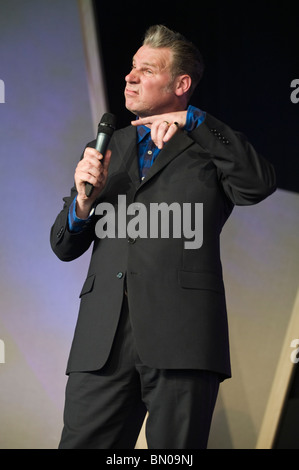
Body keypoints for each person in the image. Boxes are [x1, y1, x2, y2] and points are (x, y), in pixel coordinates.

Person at [51, 24, 276, 449]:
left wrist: (196, 121)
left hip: (183, 339)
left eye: (146, 70)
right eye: (131, 68)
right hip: (102, 342)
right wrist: (81, 206)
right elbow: (63, 245)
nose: (129, 77)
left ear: (181, 84)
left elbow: (258, 184)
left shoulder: (209, 148)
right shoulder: (106, 148)